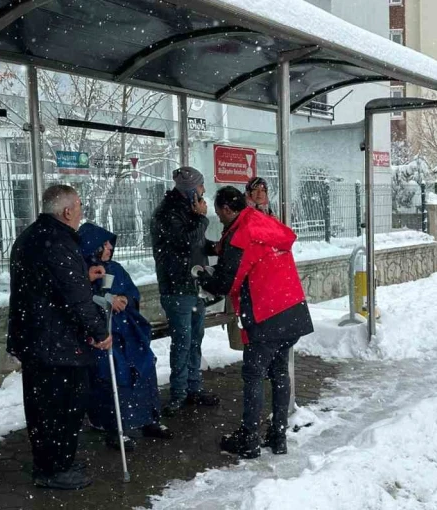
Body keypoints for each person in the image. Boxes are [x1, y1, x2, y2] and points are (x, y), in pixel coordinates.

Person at [7, 185, 112, 490]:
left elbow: (53, 283)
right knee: (62, 407)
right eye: (79, 206)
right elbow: (75, 296)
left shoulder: (34, 235)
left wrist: (82, 273)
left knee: (43, 407)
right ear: (67, 211)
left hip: (37, 337)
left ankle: (53, 462)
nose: (81, 213)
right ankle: (55, 468)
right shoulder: (57, 241)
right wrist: (98, 331)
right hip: (56, 343)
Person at [197, 187, 313, 459]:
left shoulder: (241, 234)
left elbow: (226, 281)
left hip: (266, 314)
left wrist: (204, 279)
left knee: (253, 376)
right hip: (290, 307)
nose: (219, 218)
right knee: (280, 372)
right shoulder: (261, 221)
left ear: (227, 209)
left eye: (219, 213)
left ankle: (249, 439)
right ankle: (278, 435)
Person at [77, 222, 174, 451]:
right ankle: (115, 426)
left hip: (127, 332)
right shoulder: (81, 271)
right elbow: (80, 300)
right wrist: (104, 301)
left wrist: (125, 300)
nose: (110, 247)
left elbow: (133, 294)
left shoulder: (116, 268)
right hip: (102, 336)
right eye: (105, 243)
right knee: (114, 371)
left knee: (145, 363)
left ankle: (148, 419)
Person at [150, 166, 220, 416]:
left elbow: (195, 244)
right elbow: (185, 242)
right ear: (192, 190)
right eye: (201, 187)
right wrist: (202, 218)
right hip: (177, 287)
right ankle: (179, 393)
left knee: (195, 339)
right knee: (183, 342)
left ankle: (193, 388)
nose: (204, 192)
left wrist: (215, 248)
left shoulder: (185, 210)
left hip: (193, 286)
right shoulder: (168, 213)